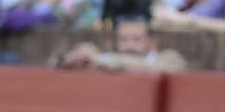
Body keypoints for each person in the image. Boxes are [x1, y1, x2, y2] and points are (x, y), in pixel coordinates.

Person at [55, 14, 188, 72]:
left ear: (152, 42)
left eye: (136, 39)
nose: (129, 46)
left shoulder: (169, 58)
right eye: (123, 39)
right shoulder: (103, 60)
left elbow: (154, 69)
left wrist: (100, 60)